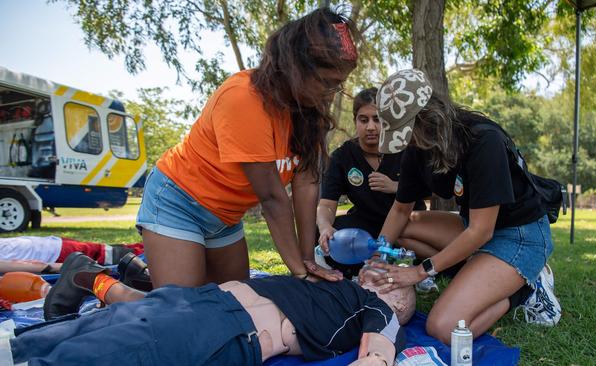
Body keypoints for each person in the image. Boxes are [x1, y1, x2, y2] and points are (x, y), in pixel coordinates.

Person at [136, 7, 359, 291]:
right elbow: (272, 198)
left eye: (337, 86)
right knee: (183, 310)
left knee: (236, 301)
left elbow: (306, 184)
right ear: (299, 67)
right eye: (328, 83)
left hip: (226, 217)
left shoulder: (308, 111)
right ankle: (106, 285)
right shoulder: (244, 99)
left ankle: (143, 276)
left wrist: (307, 259)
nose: (330, 94)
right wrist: (300, 274)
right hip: (179, 202)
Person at [363, 69, 561, 344]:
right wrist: (376, 257)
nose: (406, 140)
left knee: (444, 328)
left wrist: (419, 271)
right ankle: (479, 271)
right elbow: (400, 211)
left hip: (519, 235)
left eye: (407, 132)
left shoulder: (483, 141)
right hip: (475, 226)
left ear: (428, 119)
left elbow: (481, 232)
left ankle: (527, 290)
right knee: (405, 228)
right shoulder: (417, 148)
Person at [13, 252, 416, 365]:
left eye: (390, 278)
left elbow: (378, 351)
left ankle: (93, 278)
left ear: (397, 299)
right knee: (110, 348)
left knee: (101, 333)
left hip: (213, 307)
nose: (381, 274)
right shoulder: (333, 283)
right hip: (220, 322)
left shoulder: (377, 308)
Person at [316, 88, 426, 278]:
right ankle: (357, 267)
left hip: (408, 222)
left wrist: (396, 187)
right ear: (355, 121)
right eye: (363, 120)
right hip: (366, 228)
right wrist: (325, 227)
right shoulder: (342, 157)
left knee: (412, 238)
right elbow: (326, 204)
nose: (371, 127)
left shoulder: (406, 147)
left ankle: (413, 263)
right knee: (319, 232)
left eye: (377, 119)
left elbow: (434, 189)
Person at [0, 235, 143, 274]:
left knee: (111, 255)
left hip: (53, 252)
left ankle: (153, 249)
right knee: (110, 252)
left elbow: (30, 266)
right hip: (50, 247)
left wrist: (65, 267)